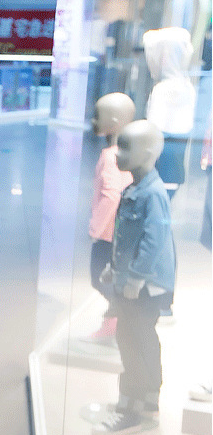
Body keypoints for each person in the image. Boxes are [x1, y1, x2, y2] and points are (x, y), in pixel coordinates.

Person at [93, 120, 176, 435]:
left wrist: (136, 278)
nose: (117, 154)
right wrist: (115, 269)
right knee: (138, 338)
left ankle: (132, 409)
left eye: (126, 148)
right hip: (135, 283)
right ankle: (146, 400)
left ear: (149, 153)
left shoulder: (152, 194)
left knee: (132, 341)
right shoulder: (135, 189)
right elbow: (127, 238)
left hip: (145, 288)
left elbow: (154, 241)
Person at [86, 93, 135, 341]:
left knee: (99, 278)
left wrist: (95, 228)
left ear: (114, 123)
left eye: (98, 116)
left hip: (108, 234)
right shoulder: (127, 152)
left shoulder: (110, 156)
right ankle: (114, 322)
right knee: (109, 279)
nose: (93, 121)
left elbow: (111, 195)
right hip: (120, 231)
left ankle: (118, 319)